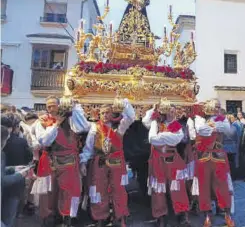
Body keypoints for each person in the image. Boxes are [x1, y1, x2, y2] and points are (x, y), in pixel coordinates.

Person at [33, 96, 91, 227]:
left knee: (71, 191)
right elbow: (44, 141)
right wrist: (56, 124)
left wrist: (75, 108)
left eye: (53, 105)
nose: (51, 109)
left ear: (60, 106)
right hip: (50, 162)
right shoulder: (42, 122)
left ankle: (69, 217)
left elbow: (82, 127)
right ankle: (50, 218)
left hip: (70, 161)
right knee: (50, 192)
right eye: (48, 106)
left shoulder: (71, 120)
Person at [80, 99, 135, 227]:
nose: (105, 115)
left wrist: (123, 102)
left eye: (107, 113)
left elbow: (131, 116)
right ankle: (100, 216)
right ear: (99, 114)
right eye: (102, 113)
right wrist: (83, 163)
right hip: (100, 163)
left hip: (116, 163)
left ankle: (120, 216)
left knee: (119, 190)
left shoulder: (119, 126)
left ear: (112, 114)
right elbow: (88, 148)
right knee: (98, 190)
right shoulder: (94, 127)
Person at [143, 100, 191, 227]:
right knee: (158, 189)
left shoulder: (175, 125)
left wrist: (161, 136)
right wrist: (153, 110)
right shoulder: (155, 122)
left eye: (173, 112)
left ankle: (182, 214)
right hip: (157, 161)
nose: (171, 114)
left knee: (178, 188)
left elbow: (177, 139)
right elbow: (151, 138)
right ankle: (160, 216)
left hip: (173, 160)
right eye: (168, 111)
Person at [187, 99, 235, 227]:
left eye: (219, 106)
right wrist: (214, 126)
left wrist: (212, 125)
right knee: (204, 187)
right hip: (203, 158)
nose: (218, 109)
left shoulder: (221, 118)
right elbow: (201, 130)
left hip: (218, 156)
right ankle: (207, 216)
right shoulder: (199, 118)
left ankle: (227, 214)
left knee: (223, 186)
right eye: (216, 106)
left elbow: (226, 128)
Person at [1, 125, 28, 227]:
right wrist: (20, 175)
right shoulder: (1, 154)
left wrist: (13, 169)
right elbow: (2, 180)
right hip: (11, 189)